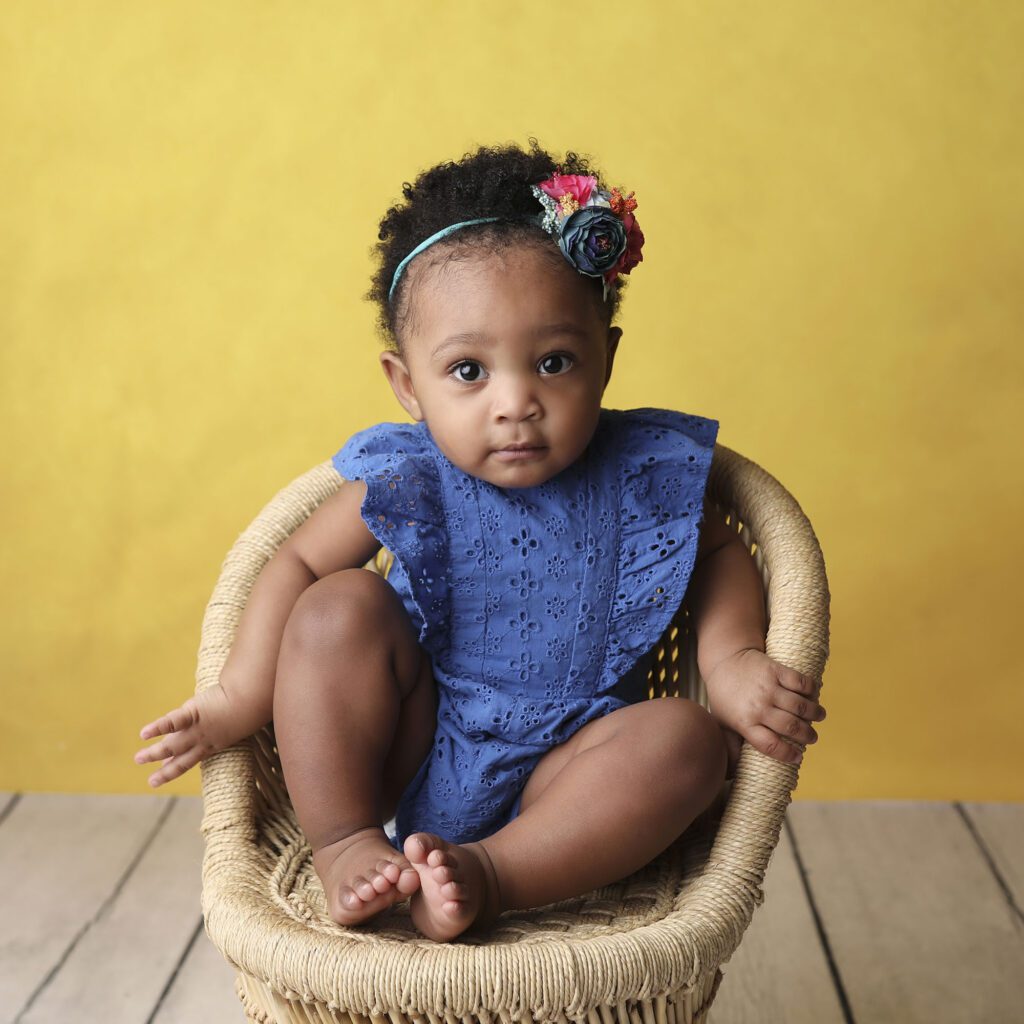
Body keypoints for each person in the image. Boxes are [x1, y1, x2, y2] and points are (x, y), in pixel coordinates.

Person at [135, 140, 826, 943]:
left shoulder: (641, 473)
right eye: (468, 371)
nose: (516, 402)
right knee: (336, 607)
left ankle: (492, 875)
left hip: (578, 768)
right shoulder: (412, 476)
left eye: (555, 361)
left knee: (687, 743)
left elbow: (716, 552)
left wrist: (731, 658)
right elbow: (293, 560)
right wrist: (239, 694)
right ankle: (347, 842)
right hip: (420, 739)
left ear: (606, 359)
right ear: (407, 386)